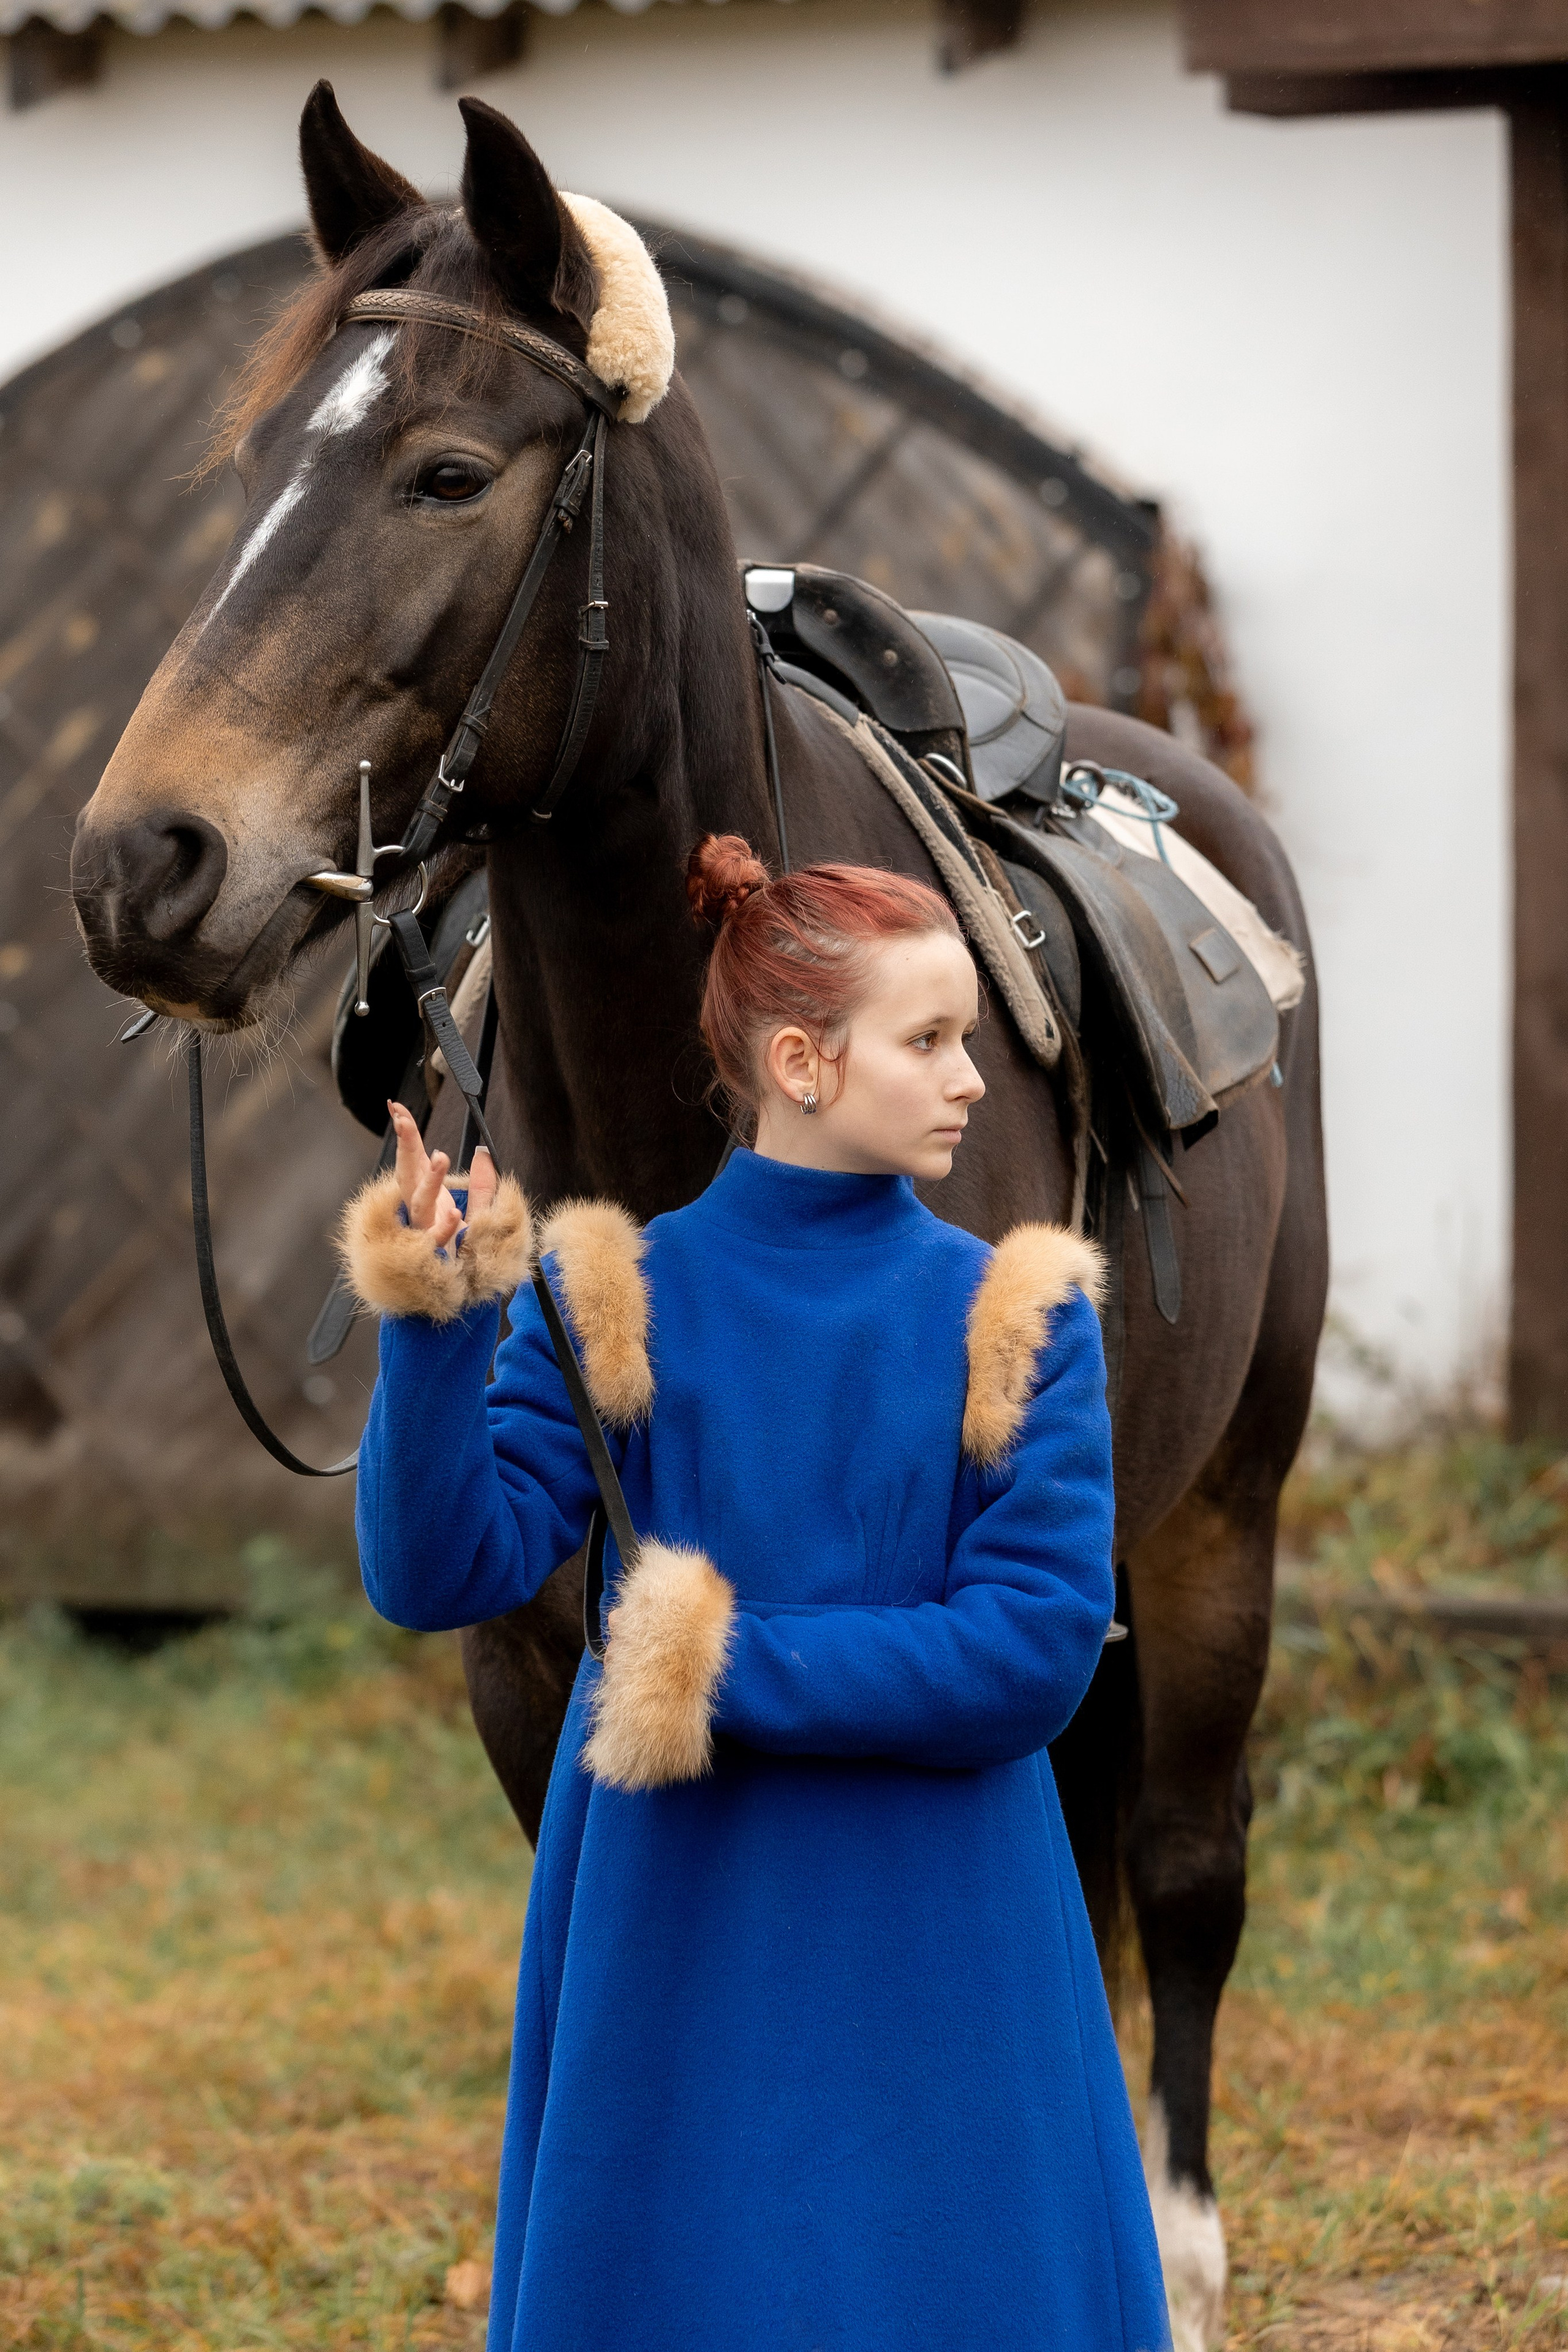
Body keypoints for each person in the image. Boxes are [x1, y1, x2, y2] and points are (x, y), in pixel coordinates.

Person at [341, 834, 1171, 2352]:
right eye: (927, 1041)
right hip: (684, 1929)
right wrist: (439, 1320)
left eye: (964, 1040)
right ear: (799, 1059)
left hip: (947, 1931)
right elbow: (434, 1570)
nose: (971, 1079)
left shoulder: (1013, 1309)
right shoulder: (614, 1293)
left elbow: (1033, 1653)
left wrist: (706, 1666)